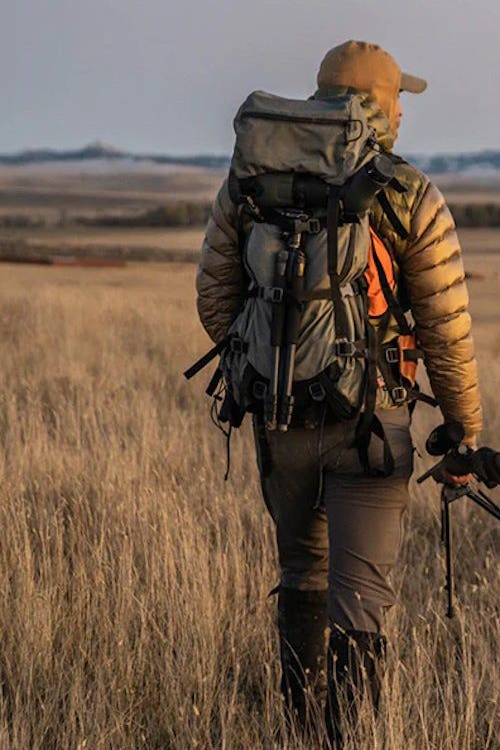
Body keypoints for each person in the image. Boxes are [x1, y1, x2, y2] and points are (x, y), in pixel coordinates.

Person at [194, 40, 483, 743]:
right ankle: (347, 737)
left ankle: (295, 728)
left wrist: (274, 358)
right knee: (360, 601)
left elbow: (214, 301)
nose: (403, 114)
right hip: (371, 429)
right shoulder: (410, 191)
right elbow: (447, 331)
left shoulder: (250, 180)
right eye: (397, 100)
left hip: (279, 415)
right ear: (376, 106)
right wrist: (465, 430)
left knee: (300, 572)